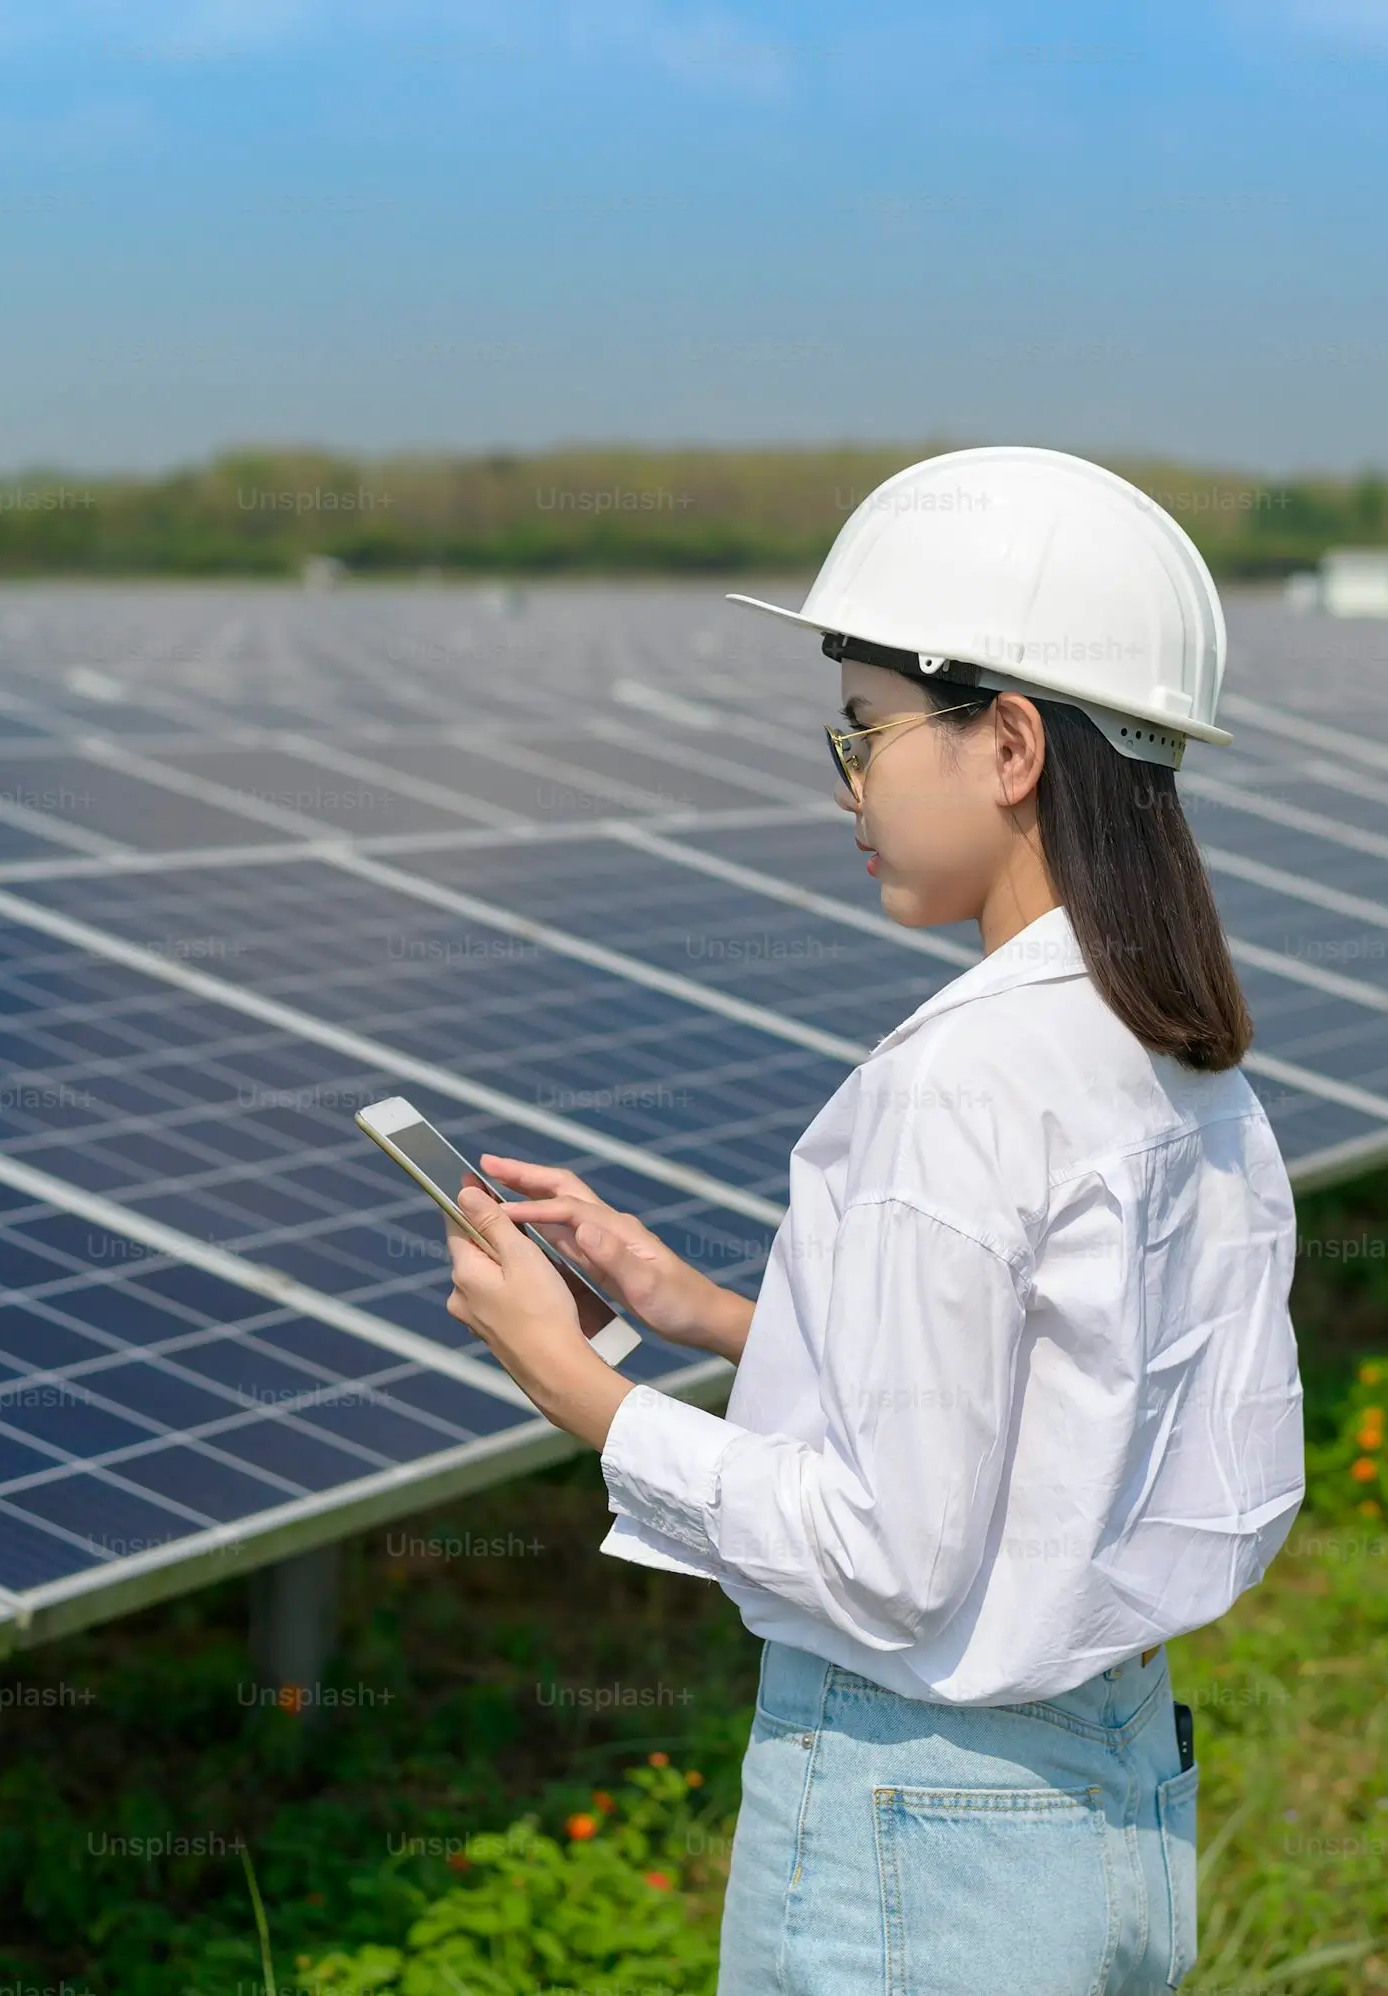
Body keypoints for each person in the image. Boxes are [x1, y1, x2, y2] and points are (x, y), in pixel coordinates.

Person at [439, 445, 1307, 1995]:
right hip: (1115, 1784)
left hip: (925, 1817)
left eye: (866, 732)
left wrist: (580, 1388)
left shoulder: (961, 1082)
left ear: (1014, 744)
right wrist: (691, 1304)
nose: (847, 780)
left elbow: (893, 1554)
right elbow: (1052, 1410)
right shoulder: (1181, 1061)